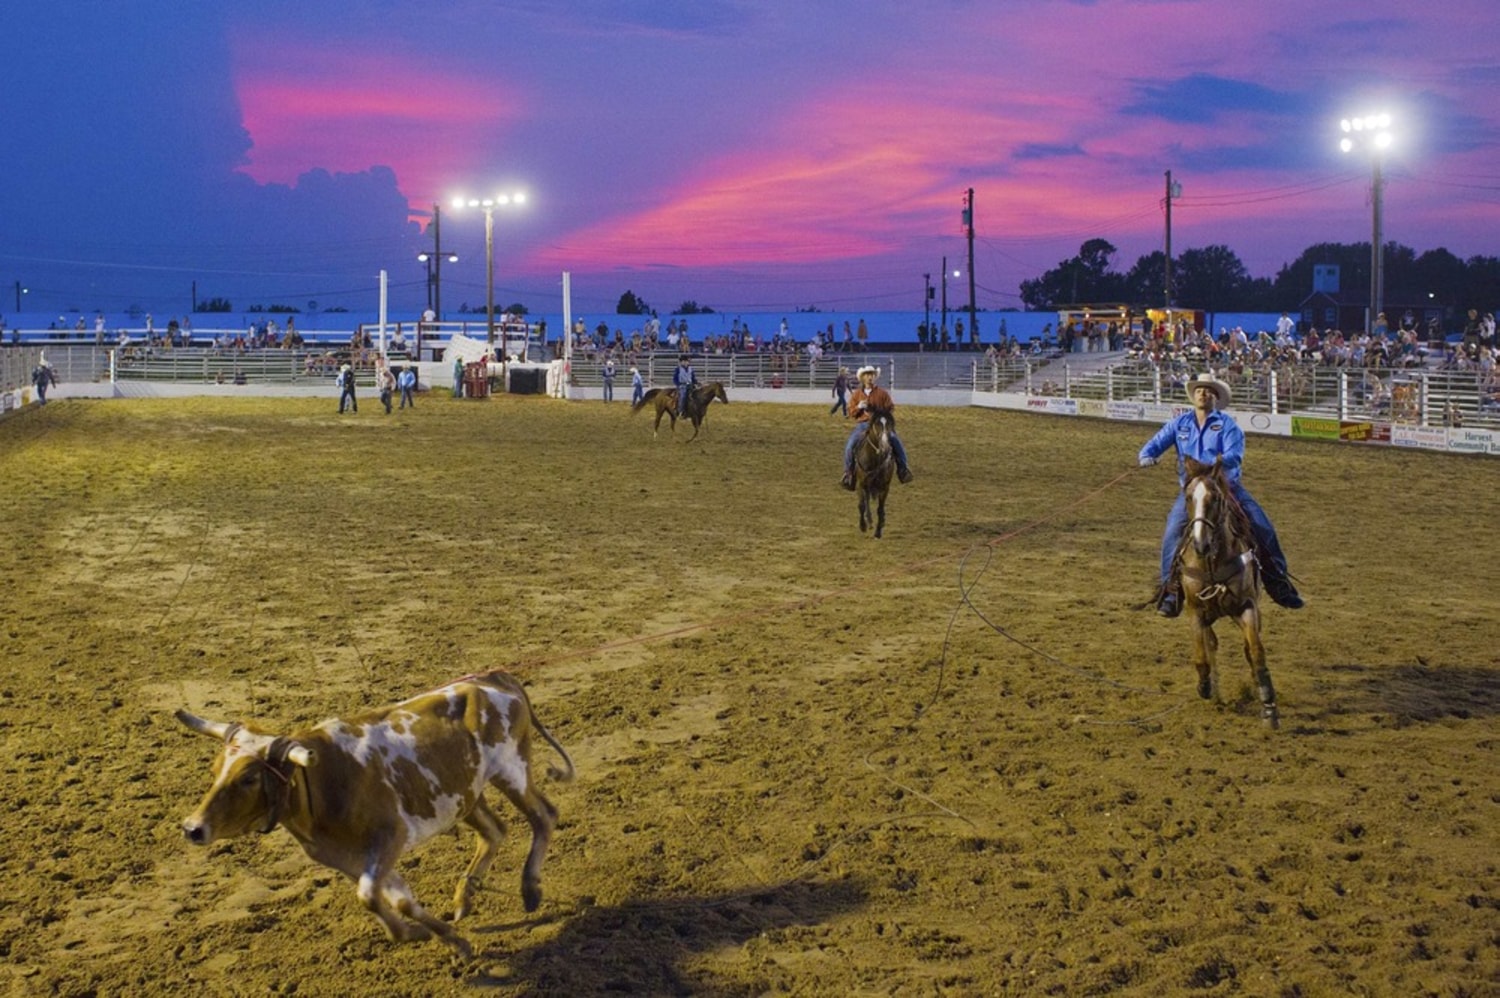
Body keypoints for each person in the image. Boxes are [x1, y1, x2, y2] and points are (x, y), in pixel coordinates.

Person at [1138, 374, 1303, 617]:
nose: (1203, 394)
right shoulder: (1179, 424)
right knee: (1173, 532)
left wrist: (1204, 465)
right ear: (1194, 396)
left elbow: (1234, 456)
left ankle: (1278, 583)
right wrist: (1146, 456)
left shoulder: (1228, 425)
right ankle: (1171, 591)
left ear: (1215, 397)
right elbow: (1154, 444)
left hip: (1226, 489)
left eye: (1208, 391)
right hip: (1194, 492)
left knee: (1262, 527)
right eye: (1199, 390)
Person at [840, 365, 913, 489]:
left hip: (879, 423)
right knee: (850, 445)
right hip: (863, 424)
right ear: (863, 378)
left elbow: (890, 407)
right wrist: (858, 407)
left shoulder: (882, 393)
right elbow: (851, 412)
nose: (870, 378)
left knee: (895, 440)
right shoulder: (857, 394)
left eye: (872, 375)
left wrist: (878, 411)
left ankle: (903, 469)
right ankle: (849, 473)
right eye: (868, 375)